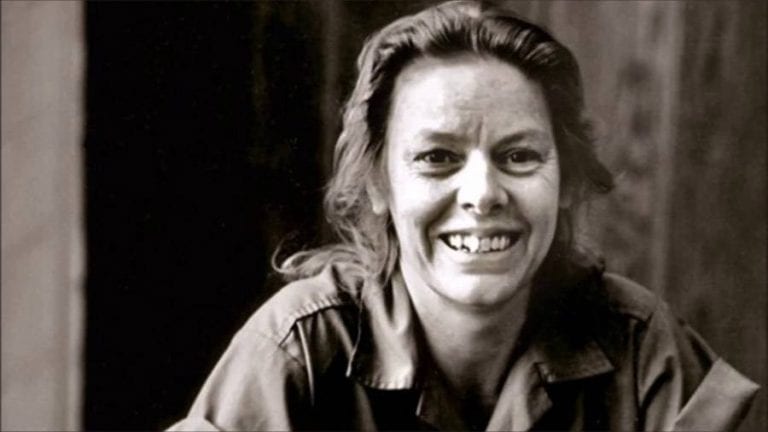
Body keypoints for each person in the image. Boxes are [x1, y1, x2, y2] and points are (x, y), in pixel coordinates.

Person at [169, 1, 758, 430]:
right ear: (378, 184)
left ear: (568, 181)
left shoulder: (641, 347)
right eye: (437, 157)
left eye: (519, 156)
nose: (483, 193)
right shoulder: (298, 348)